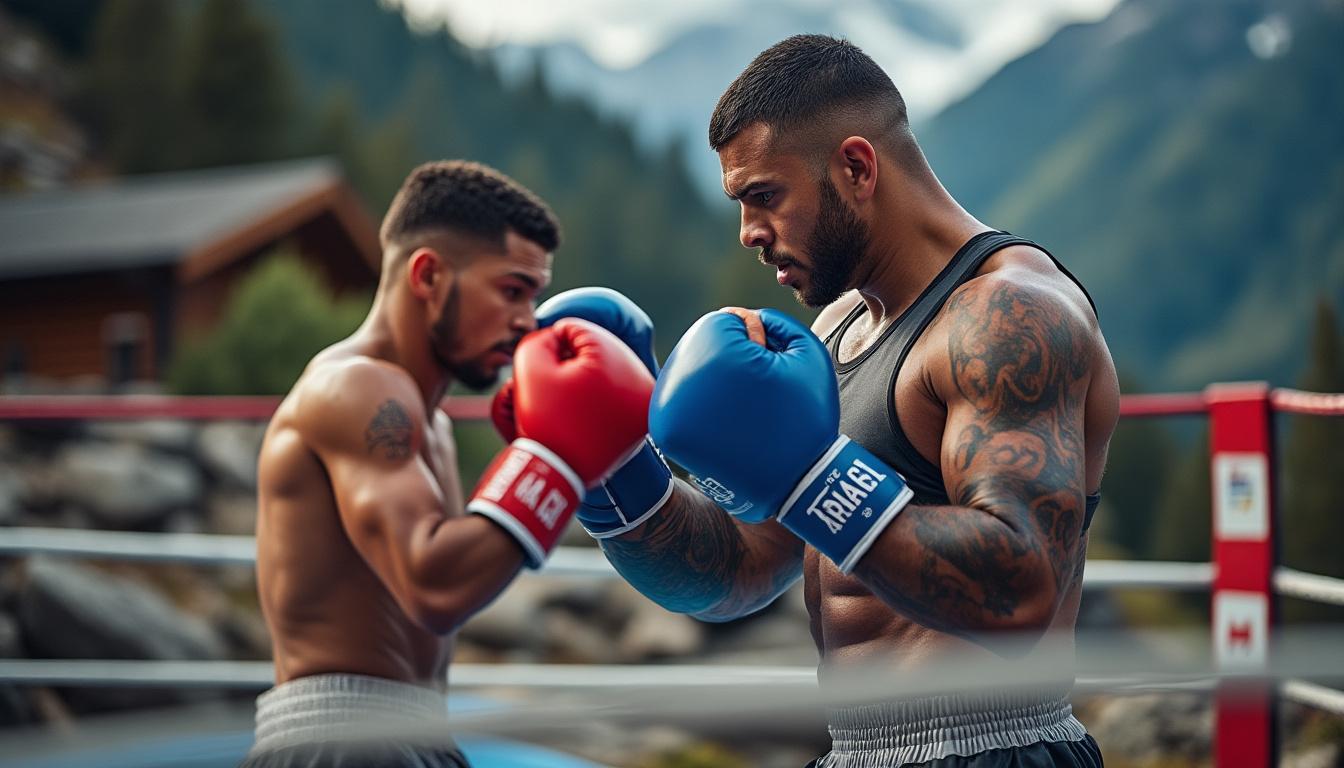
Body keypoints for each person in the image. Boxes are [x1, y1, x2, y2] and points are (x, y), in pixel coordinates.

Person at [559, 35, 1119, 767]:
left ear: (856, 167)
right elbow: (738, 567)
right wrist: (613, 470)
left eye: (764, 196)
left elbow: (1021, 584)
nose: (748, 234)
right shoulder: (838, 330)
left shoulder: (1007, 317)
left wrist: (806, 473)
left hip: (992, 748)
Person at [248, 160, 654, 767]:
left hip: (419, 731)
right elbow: (433, 584)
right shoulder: (359, 387)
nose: (526, 321)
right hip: (336, 740)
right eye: (512, 290)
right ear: (429, 274)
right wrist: (559, 456)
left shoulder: (426, 418)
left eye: (535, 296)